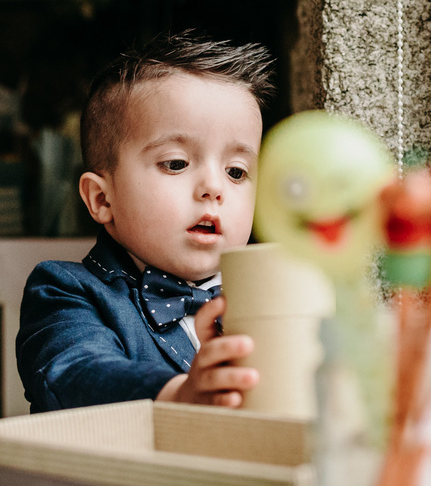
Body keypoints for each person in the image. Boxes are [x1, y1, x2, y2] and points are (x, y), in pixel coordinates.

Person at [16, 30, 271, 413]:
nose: (214, 188)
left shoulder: (268, 293)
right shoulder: (66, 292)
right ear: (102, 199)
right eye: (176, 164)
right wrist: (175, 394)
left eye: (236, 171)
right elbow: (71, 373)